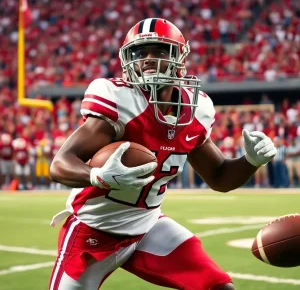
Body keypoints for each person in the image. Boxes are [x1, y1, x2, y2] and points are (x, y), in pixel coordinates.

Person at [48, 18, 277, 290]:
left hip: (148, 226)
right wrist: (97, 176)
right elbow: (60, 165)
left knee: (220, 288)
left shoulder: (196, 109)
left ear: (179, 56)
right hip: (92, 229)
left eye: (158, 50)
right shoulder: (120, 100)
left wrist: (251, 161)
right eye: (139, 53)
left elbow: (219, 177)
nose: (147, 59)